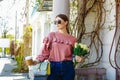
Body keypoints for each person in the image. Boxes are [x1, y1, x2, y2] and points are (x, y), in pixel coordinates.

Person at [34, 14, 83, 80]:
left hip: (68, 67)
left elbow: (76, 54)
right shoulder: (52, 35)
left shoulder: (73, 39)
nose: (57, 24)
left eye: (59, 21)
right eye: (55, 22)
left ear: (66, 22)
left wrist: (79, 58)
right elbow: (45, 51)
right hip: (53, 66)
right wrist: (37, 60)